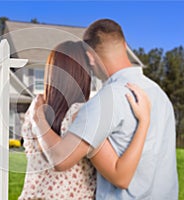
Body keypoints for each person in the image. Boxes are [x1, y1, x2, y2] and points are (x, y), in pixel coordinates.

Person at [30, 19, 178, 199]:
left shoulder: (105, 101)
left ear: (90, 57)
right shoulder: (159, 94)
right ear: (124, 44)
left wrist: (38, 120)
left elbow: (61, 159)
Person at [19, 41, 151, 200]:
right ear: (84, 75)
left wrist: (38, 120)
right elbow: (120, 176)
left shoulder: (34, 111)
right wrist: (144, 121)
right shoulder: (82, 115)